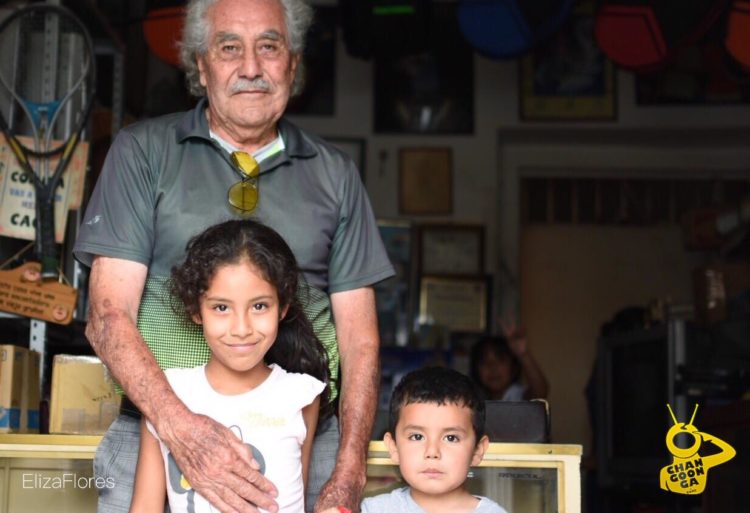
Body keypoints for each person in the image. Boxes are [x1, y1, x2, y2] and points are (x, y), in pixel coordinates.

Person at [73, 0, 394, 511]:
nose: (250, 67)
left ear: (292, 64)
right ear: (201, 66)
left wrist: (350, 469)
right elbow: (108, 316)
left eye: (269, 47)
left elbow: (361, 340)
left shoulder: (334, 174)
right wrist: (182, 430)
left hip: (307, 441)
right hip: (158, 427)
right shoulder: (143, 152)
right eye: (229, 48)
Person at [130, 219, 329, 513]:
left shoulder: (301, 394)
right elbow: (145, 507)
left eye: (259, 306)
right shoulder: (168, 393)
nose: (241, 328)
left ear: (282, 307)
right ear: (196, 310)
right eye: (221, 307)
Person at [361, 366, 507, 513]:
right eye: (417, 437)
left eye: (451, 438)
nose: (432, 452)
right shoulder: (372, 510)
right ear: (393, 447)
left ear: (477, 450)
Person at [469, 320, 548, 401]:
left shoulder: (516, 395)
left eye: (500, 360)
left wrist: (523, 354)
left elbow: (540, 392)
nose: (492, 367)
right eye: (484, 362)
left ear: (513, 367)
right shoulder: (476, 400)